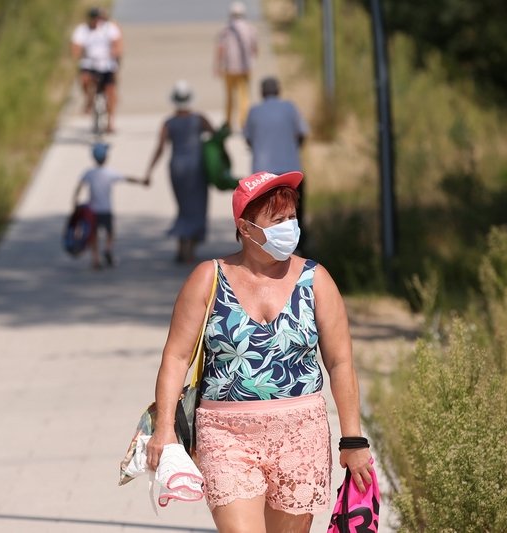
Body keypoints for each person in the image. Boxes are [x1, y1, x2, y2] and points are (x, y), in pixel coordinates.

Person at [146, 171, 374, 532]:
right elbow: (175, 357)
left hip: (301, 433)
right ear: (246, 228)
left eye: (292, 217)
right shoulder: (208, 278)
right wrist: (163, 430)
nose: (290, 227)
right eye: (278, 219)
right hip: (225, 434)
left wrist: (353, 439)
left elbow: (340, 362)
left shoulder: (315, 280)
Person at [145, 80, 214, 264]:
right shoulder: (199, 119)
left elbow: (160, 148)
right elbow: (215, 136)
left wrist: (149, 171)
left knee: (183, 208)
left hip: (176, 168)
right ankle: (189, 250)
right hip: (196, 168)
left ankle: (181, 248)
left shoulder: (168, 123)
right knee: (197, 207)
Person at [244, 76, 310, 253]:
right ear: (278, 90)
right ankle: (298, 249)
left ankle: (265, 249)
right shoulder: (290, 107)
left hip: (263, 175)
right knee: (295, 213)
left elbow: (248, 139)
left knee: (266, 216)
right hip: (290, 169)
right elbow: (302, 133)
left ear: (262, 92)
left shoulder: (254, 111)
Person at [72, 143, 147, 269]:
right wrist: (141, 181)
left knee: (93, 235)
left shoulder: (89, 173)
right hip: (106, 210)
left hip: (92, 210)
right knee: (110, 233)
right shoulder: (109, 173)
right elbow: (127, 178)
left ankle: (95, 260)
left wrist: (75, 201)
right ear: (106, 157)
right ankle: (107, 248)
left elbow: (79, 187)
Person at [71, 7, 123, 133]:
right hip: (90, 62)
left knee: (110, 91)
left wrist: (114, 53)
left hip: (106, 63)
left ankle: (110, 121)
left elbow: (118, 44)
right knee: (85, 79)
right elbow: (76, 47)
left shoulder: (109, 28)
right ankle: (89, 100)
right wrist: (79, 54)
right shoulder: (82, 30)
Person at [215, 1, 258, 130]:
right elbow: (255, 49)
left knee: (229, 98)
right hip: (245, 68)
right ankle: (243, 122)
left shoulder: (225, 30)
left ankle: (228, 123)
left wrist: (218, 66)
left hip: (229, 69)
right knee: (244, 96)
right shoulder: (250, 29)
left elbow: (221, 49)